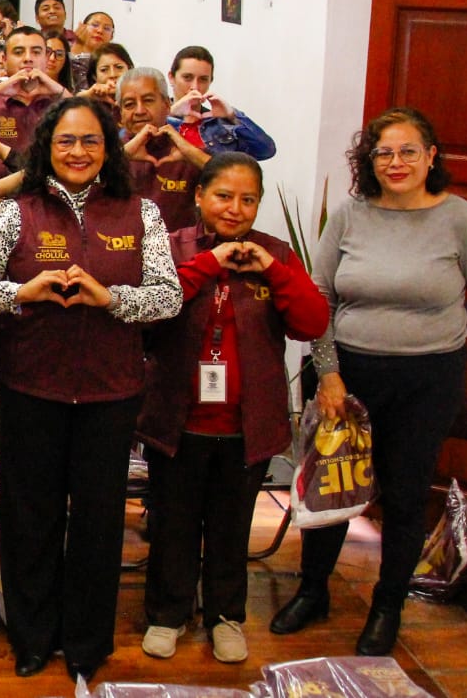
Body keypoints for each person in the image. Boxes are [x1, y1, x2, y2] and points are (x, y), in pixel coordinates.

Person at [0, 96, 180, 682]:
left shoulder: (142, 212)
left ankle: (86, 640)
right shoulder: (14, 211)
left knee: (100, 520)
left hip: (113, 389)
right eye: (65, 142)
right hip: (32, 385)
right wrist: (21, 293)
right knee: (32, 514)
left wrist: (112, 299)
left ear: (108, 150)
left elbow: (168, 297)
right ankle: (33, 634)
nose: (78, 152)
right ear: (46, 149)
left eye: (91, 142)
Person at [271, 107, 467, 656]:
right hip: (346, 372)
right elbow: (318, 300)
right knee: (329, 486)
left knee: (403, 496)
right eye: (383, 152)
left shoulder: (465, 221)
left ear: (431, 157)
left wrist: (442, 334)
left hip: (428, 380)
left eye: (408, 151)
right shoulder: (351, 216)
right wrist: (328, 372)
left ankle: (387, 605)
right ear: (368, 161)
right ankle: (313, 591)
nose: (395, 162)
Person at [137, 152, 329, 665]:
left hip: (248, 423)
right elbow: (148, 316)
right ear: (199, 196)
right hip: (175, 417)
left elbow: (312, 323)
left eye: (248, 200)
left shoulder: (276, 253)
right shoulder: (171, 247)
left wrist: (273, 271)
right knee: (174, 524)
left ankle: (226, 616)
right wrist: (208, 264)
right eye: (223, 196)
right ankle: (167, 614)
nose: (235, 209)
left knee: (231, 526)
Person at [117, 67, 211, 230]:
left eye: (148, 101)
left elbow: (233, 181)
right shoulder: (108, 150)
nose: (139, 111)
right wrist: (123, 155)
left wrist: (193, 155)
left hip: (178, 251)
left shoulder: (186, 149)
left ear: (167, 105)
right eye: (130, 104)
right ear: (120, 113)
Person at [166, 46, 277, 159]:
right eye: (187, 77)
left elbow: (266, 151)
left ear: (211, 81)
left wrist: (232, 115)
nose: (195, 87)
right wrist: (170, 114)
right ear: (171, 77)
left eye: (203, 79)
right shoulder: (154, 115)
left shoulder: (219, 125)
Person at [0, 26, 67, 156]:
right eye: (18, 52)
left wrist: (58, 90)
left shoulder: (59, 98)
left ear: (47, 57)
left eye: (36, 52)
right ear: (5, 60)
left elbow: (85, 120)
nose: (28, 58)